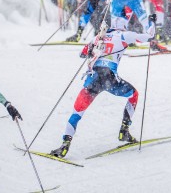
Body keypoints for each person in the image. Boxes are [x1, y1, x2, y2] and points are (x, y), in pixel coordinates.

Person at [51, 14, 156, 158]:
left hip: (93, 79)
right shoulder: (124, 35)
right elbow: (149, 37)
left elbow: (82, 54)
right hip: (109, 78)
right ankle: (124, 131)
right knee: (133, 95)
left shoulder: (99, 37)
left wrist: (91, 50)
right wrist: (152, 22)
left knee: (77, 113)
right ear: (123, 27)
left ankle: (64, 145)